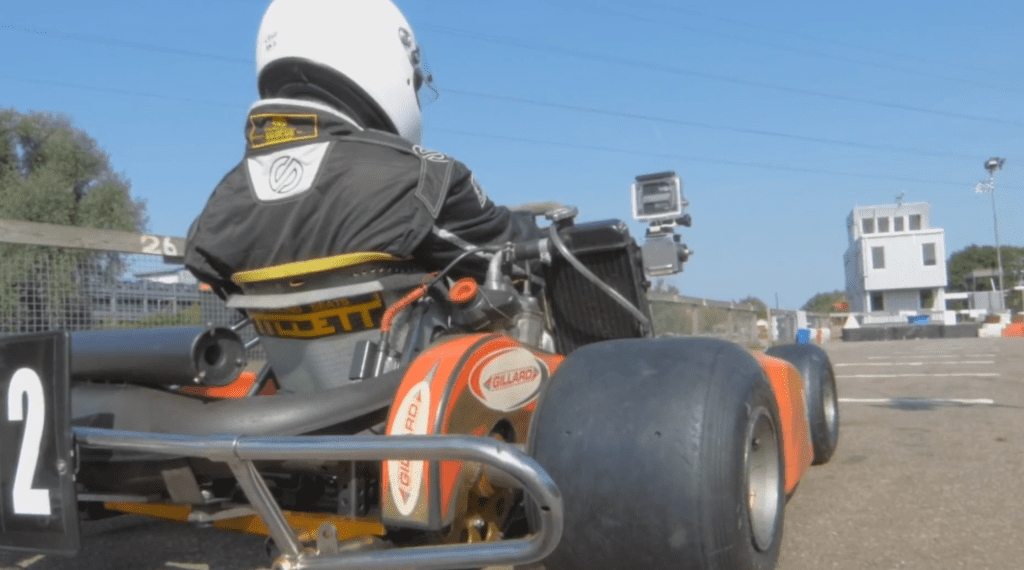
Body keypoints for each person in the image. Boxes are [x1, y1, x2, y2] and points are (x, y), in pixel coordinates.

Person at [185, 0, 540, 299]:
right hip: (405, 380)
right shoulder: (423, 182)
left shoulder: (217, 212)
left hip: (291, 382)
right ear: (379, 58)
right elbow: (522, 256)